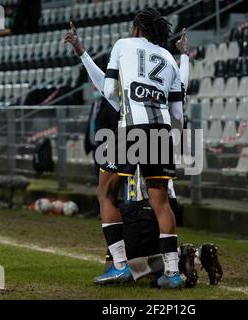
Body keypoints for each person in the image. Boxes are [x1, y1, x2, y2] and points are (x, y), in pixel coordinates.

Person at [64, 8, 189, 289]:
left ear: (136, 29)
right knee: (161, 202)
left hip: (130, 130)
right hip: (162, 132)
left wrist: (82, 53)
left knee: (105, 193)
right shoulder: (169, 58)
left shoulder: (123, 45)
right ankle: (171, 273)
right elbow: (178, 113)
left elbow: (108, 91)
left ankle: (120, 266)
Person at [83, 89, 120, 218]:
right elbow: (91, 123)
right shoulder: (95, 103)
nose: (94, 88)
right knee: (98, 180)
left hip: (106, 148)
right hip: (96, 146)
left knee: (107, 183)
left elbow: (114, 124)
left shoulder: (109, 103)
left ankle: (106, 210)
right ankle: (98, 209)